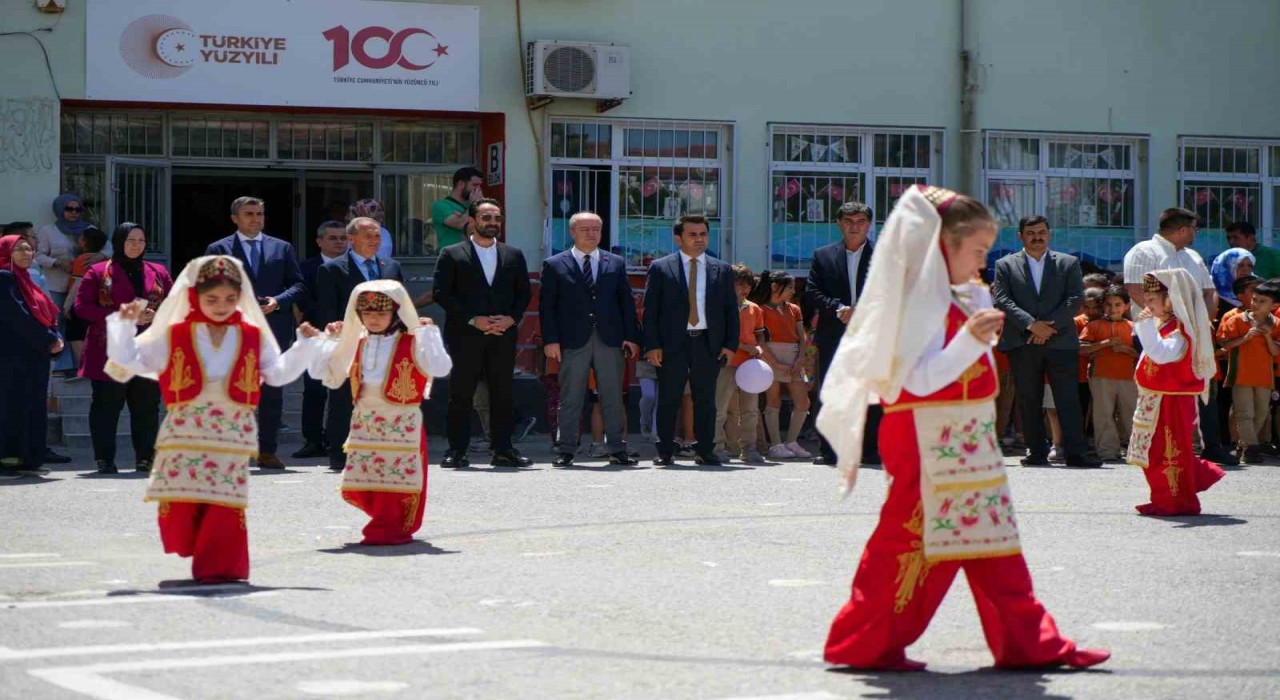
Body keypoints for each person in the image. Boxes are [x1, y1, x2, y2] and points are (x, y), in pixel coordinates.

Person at [816, 185, 1109, 672]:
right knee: (907, 543)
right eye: (974, 249)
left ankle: (1029, 642)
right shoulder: (912, 301)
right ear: (941, 246)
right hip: (922, 433)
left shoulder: (964, 291)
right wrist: (971, 341)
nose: (982, 261)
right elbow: (912, 383)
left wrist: (976, 333)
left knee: (994, 542)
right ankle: (864, 641)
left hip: (965, 432)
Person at [106, 256, 320, 583]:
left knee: (224, 502)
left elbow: (276, 374)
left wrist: (304, 346)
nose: (221, 306)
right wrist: (123, 326)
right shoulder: (175, 333)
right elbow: (130, 360)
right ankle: (199, 550)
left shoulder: (252, 334)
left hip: (232, 433)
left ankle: (220, 565)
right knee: (182, 502)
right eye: (212, 299)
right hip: (185, 430)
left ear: (241, 297)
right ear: (194, 297)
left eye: (230, 299)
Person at [312, 281, 452, 545]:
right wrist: (330, 341)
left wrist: (429, 335)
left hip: (402, 423)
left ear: (395, 314)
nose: (373, 319)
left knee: (396, 480)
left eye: (381, 313)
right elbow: (325, 375)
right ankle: (381, 520)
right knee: (369, 480)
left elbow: (441, 368)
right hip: (366, 422)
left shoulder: (413, 340)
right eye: (367, 313)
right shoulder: (357, 341)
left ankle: (388, 525)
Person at [205, 197, 307, 470]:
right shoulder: (219, 249)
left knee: (272, 392)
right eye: (249, 213)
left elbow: (298, 284)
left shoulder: (281, 247)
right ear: (235, 218)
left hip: (273, 329)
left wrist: (279, 301)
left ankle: (267, 451)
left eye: (260, 213)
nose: (255, 218)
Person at [432, 198, 533, 468]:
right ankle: (456, 450)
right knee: (461, 394)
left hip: (502, 335)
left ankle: (503, 449)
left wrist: (511, 319)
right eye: (486, 218)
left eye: (497, 218)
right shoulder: (452, 253)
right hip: (466, 335)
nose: (493, 223)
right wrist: (472, 319)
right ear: (473, 221)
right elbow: (442, 293)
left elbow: (523, 292)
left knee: (503, 393)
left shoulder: (513, 254)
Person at [992, 215, 1099, 468]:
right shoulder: (1005, 265)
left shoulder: (1068, 263)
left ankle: (1076, 453)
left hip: (1060, 341)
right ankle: (1036, 451)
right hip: (1022, 340)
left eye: (1041, 232)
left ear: (1049, 234)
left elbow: (1074, 298)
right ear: (1021, 236)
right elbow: (1002, 299)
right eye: (1031, 233)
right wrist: (1032, 325)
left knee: (1067, 398)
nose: (1037, 237)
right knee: (1029, 398)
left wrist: (1048, 327)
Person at [540, 211, 640, 467]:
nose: (592, 234)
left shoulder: (615, 262)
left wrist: (631, 336)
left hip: (610, 339)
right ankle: (566, 450)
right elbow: (547, 306)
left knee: (612, 397)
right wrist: (550, 340)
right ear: (572, 232)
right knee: (571, 398)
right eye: (585, 229)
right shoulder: (555, 264)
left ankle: (617, 449)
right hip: (572, 341)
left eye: (596, 229)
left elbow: (626, 303)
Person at [73, 223, 172, 474]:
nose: (136, 245)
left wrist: (156, 316)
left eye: (141, 240)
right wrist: (126, 316)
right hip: (109, 350)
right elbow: (82, 308)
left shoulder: (158, 271)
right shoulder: (98, 272)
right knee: (107, 406)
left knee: (147, 407)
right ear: (119, 242)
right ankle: (104, 459)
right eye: (130, 240)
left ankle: (146, 458)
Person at [642, 214, 739, 466]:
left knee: (706, 399)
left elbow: (730, 310)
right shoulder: (661, 268)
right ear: (678, 238)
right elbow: (650, 310)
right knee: (668, 398)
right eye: (692, 235)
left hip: (707, 343)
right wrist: (652, 345)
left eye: (703, 234)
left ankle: (705, 450)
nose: (699, 239)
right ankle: (665, 450)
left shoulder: (722, 269)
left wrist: (730, 345)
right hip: (672, 344)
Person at [1127, 270, 1226, 516]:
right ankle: (1165, 496)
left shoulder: (1181, 330)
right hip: (1157, 397)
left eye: (1152, 300)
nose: (1146, 305)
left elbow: (1160, 354)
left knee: (1168, 452)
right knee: (1154, 451)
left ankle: (1175, 500)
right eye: (1146, 299)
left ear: (1170, 299)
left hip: (1172, 400)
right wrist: (1146, 324)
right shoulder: (1165, 324)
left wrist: (1145, 324)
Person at [314, 217, 404, 471]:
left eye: (377, 236)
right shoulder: (332, 269)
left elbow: (401, 308)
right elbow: (328, 311)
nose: (374, 241)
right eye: (368, 236)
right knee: (343, 399)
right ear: (351, 239)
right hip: (349, 344)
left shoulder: (391, 267)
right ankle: (339, 454)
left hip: (386, 344)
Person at [805, 201, 877, 466]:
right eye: (848, 221)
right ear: (839, 223)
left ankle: (869, 451)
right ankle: (830, 451)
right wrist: (838, 308)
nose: (854, 227)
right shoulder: (823, 255)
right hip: (834, 333)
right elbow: (812, 291)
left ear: (869, 225)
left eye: (860, 222)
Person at [0, 235, 64, 479]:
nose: (27, 253)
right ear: (7, 252)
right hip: (12, 356)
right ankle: (8, 460)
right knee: (12, 407)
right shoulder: (4, 278)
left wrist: (53, 335)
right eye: (19, 249)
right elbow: (19, 316)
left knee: (32, 406)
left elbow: (45, 311)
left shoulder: (25, 278)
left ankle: (29, 458)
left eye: (29, 249)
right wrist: (49, 339)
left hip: (33, 354)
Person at [294, 221, 350, 459]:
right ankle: (313, 439)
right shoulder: (307, 267)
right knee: (314, 389)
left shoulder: (352, 266)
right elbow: (299, 300)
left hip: (349, 335)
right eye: (333, 238)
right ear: (319, 241)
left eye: (342, 238)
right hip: (317, 334)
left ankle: (341, 439)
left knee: (344, 389)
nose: (339, 242)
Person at [1216, 279, 1280, 464]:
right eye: (1255, 299)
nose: (1256, 304)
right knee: (1245, 413)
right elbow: (1225, 344)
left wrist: (1267, 335)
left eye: (1262, 301)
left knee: (1261, 413)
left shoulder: (1276, 323)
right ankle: (1252, 449)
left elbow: (1275, 351)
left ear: (1274, 305)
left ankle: (1244, 445)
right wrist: (1245, 337)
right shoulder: (1237, 320)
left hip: (1264, 376)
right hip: (1241, 374)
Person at [751, 270, 812, 460]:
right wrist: (774, 362)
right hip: (770, 356)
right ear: (775, 287)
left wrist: (801, 357)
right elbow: (760, 340)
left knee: (803, 401)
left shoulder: (794, 309)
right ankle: (775, 445)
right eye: (790, 287)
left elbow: (801, 336)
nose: (793, 291)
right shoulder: (760, 309)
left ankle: (791, 441)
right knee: (773, 400)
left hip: (794, 356)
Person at [1079, 286, 1139, 462]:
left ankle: (1136, 450)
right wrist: (1104, 344)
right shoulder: (1094, 326)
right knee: (1103, 414)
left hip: (1129, 376)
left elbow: (1144, 353)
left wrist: (1125, 350)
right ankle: (1107, 451)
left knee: (1132, 414)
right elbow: (1081, 348)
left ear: (1126, 306)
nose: (1113, 309)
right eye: (1108, 304)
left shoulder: (1134, 327)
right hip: (1100, 376)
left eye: (1118, 304)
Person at [35, 193, 89, 377]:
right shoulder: (47, 231)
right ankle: (62, 366)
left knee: (79, 326)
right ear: (59, 209)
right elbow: (38, 256)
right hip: (56, 284)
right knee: (57, 323)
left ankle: (81, 364)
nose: (74, 213)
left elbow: (106, 248)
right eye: (69, 209)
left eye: (78, 209)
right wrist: (57, 262)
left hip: (82, 287)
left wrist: (96, 257)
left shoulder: (87, 229)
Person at [717, 263, 765, 462]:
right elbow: (721, 336)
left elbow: (760, 335)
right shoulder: (720, 307)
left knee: (750, 409)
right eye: (739, 285)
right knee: (720, 407)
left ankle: (749, 448)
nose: (744, 289)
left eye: (747, 285)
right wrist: (747, 347)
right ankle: (717, 447)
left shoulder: (755, 308)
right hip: (726, 363)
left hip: (750, 366)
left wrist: (759, 348)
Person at [64, 226, 109, 369]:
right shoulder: (106, 261)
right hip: (97, 303)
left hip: (81, 302)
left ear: (84, 242)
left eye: (81, 238)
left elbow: (78, 284)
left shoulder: (83, 260)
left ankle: (84, 367)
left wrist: (67, 305)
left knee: (75, 334)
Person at [430, 167, 485, 251]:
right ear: (461, 184)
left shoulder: (472, 205)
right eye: (475, 185)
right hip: (451, 257)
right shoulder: (441, 205)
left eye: (480, 185)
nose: (478, 189)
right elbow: (460, 224)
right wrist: (473, 205)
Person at [1210, 247, 1257, 320]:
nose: (1246, 269)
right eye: (1240, 265)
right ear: (1227, 266)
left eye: (1249, 266)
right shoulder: (1211, 289)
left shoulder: (1257, 286)